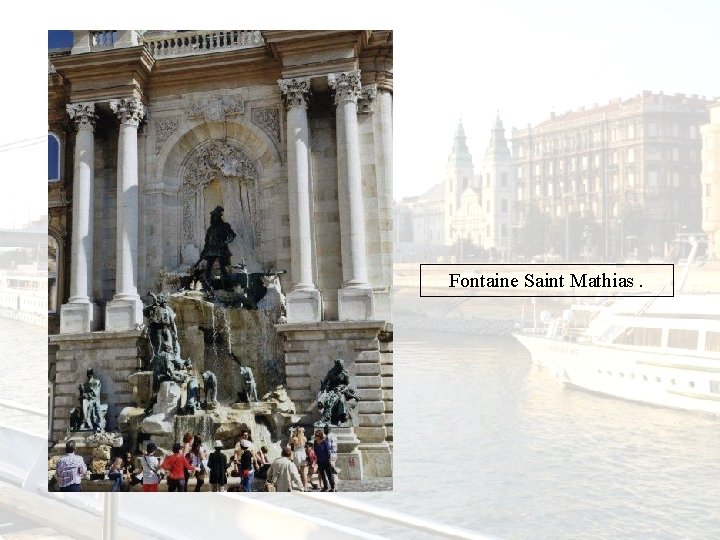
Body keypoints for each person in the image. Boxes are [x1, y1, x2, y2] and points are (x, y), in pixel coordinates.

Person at [198, 205, 236, 289]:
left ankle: (226, 286)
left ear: (219, 217)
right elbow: (207, 242)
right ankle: (207, 286)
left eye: (216, 216)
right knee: (208, 269)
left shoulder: (225, 226)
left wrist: (223, 243)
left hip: (221, 250)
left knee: (223, 269)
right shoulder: (210, 229)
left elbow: (232, 236)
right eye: (213, 216)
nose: (214, 218)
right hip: (211, 250)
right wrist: (204, 252)